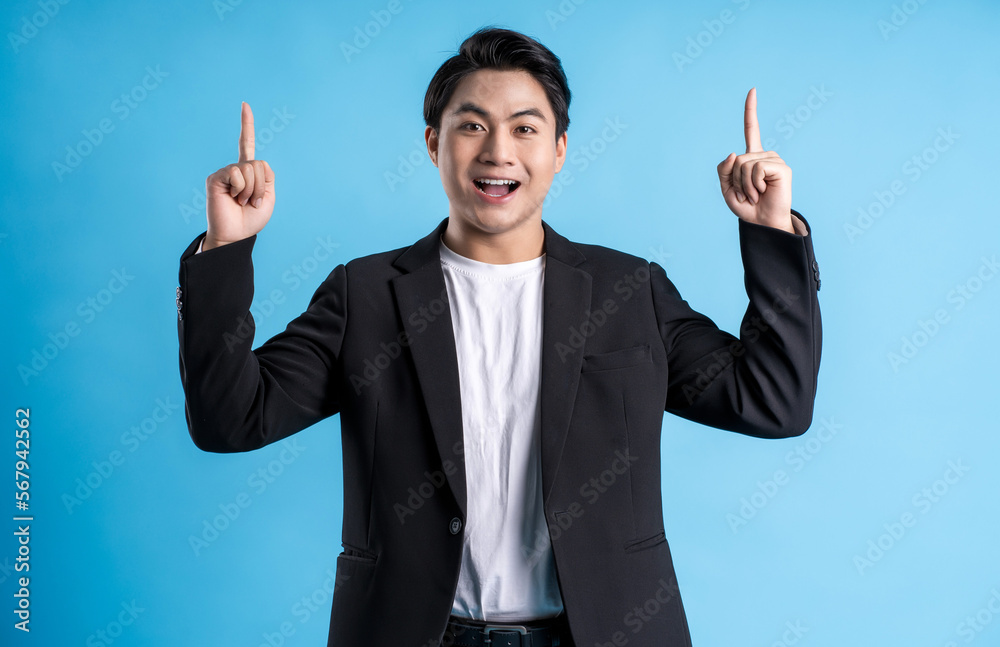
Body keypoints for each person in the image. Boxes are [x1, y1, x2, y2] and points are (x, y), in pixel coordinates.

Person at [176, 26, 821, 647]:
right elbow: (231, 420)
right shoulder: (363, 295)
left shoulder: (630, 291)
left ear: (559, 149)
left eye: (525, 128)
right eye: (472, 125)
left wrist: (771, 234)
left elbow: (775, 403)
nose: (498, 151)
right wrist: (226, 250)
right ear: (434, 143)